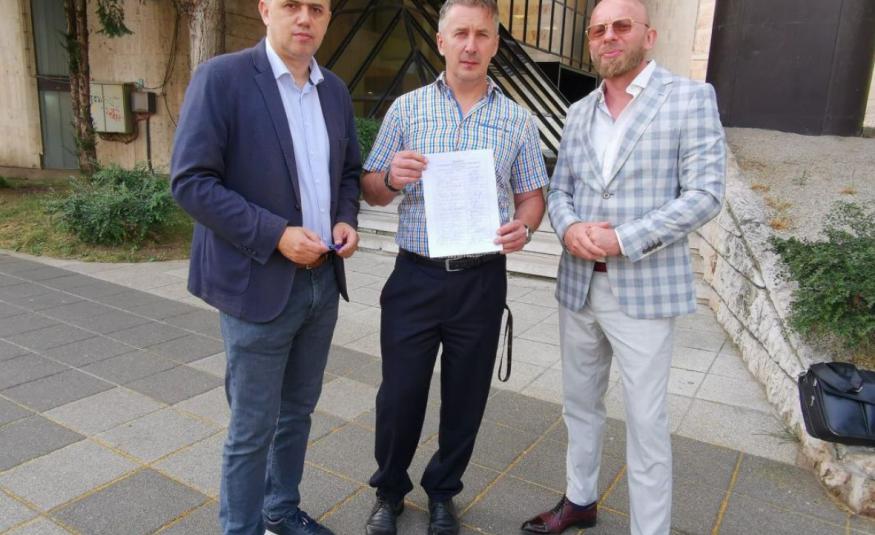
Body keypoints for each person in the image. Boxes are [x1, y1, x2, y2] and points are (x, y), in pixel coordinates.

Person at [520, 0, 726, 534]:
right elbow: (560, 190)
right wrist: (568, 228)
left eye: (621, 26)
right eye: (598, 30)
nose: (608, 36)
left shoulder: (690, 99)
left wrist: (621, 239)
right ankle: (579, 500)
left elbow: (705, 195)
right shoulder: (578, 111)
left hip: (644, 290)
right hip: (579, 287)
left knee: (647, 422)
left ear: (648, 36)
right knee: (579, 405)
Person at [170, 0, 361, 533]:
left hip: (322, 282)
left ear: (328, 19)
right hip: (257, 284)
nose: (304, 18)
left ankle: (280, 509)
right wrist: (275, 234)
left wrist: (345, 218)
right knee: (252, 427)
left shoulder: (334, 91)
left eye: (317, 8)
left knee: (297, 412)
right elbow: (190, 182)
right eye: (291, 5)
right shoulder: (222, 79)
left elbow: (348, 173)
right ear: (265, 10)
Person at [358, 1, 549, 533]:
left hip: (480, 281)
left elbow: (533, 197)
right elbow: (370, 189)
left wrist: (525, 227)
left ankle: (443, 492)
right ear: (441, 41)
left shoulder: (518, 120)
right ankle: (389, 491)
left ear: (495, 44)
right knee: (400, 395)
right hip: (415, 276)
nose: (470, 45)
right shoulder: (407, 110)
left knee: (466, 398)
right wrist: (390, 178)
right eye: (460, 33)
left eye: (482, 35)